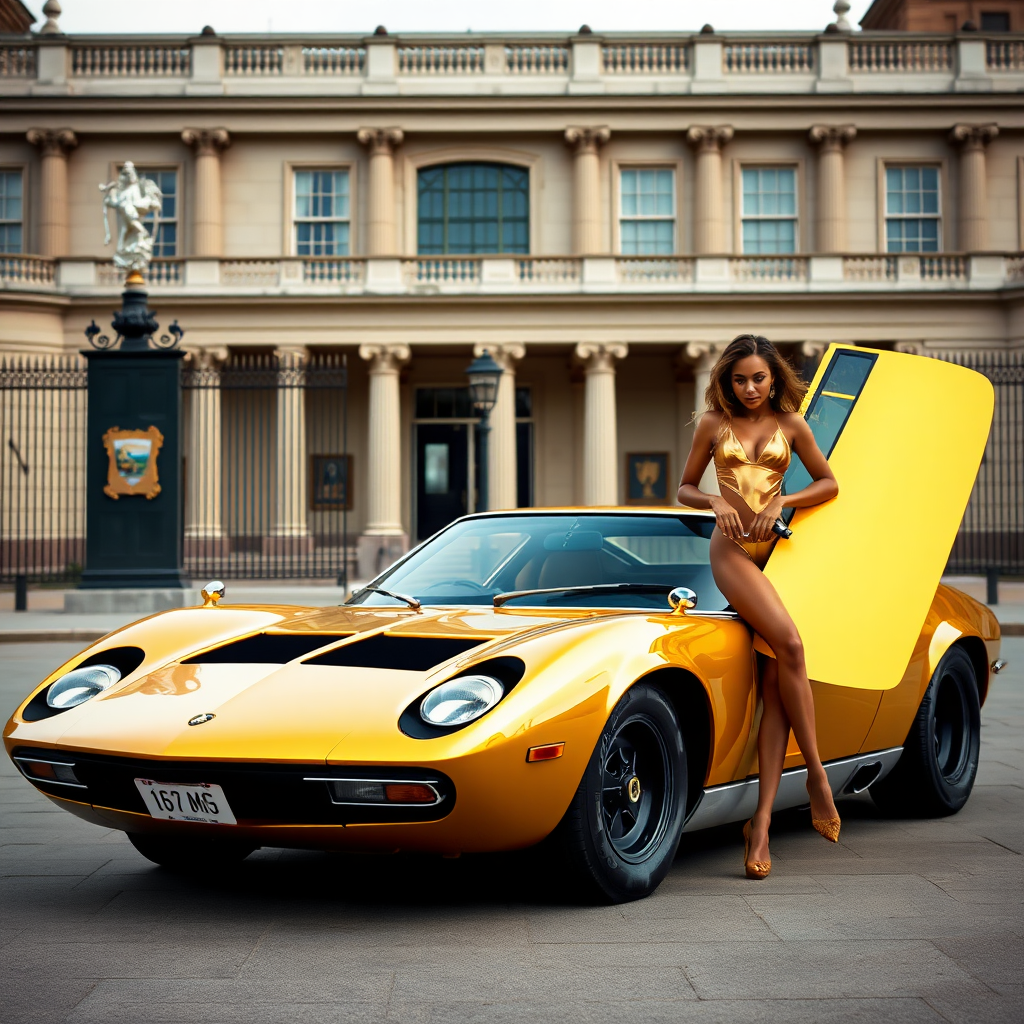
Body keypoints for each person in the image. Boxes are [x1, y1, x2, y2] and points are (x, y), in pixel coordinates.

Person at [677, 334, 840, 879]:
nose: (749, 388)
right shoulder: (711, 425)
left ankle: (761, 823)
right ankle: (817, 775)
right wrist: (715, 498)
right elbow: (683, 490)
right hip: (733, 554)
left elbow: (829, 482)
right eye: (740, 379)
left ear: (774, 378)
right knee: (792, 644)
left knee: (775, 688)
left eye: (759, 378)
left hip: (780, 557)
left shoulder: (793, 426)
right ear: (727, 379)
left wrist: (782, 499)